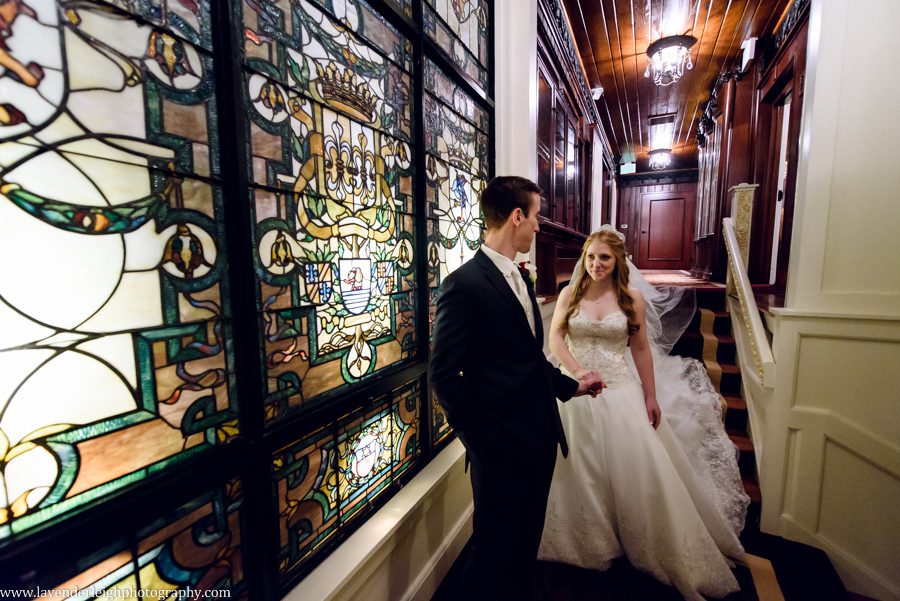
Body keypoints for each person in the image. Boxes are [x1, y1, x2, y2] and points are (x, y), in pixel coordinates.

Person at [538, 226, 749, 601]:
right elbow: (555, 337)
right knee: (576, 469)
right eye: (591, 257)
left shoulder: (630, 298)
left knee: (630, 470)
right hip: (575, 391)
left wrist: (650, 396)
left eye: (604, 257)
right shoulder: (570, 293)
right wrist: (576, 370)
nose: (596, 264)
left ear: (618, 260)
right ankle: (587, 537)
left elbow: (640, 351)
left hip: (620, 391)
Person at [430, 176, 603, 601]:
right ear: (516, 216)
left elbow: (526, 361)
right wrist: (483, 444)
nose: (540, 228)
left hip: (538, 441)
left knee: (524, 547)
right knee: (490, 554)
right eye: (537, 216)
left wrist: (572, 387)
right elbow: (444, 377)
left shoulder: (521, 279)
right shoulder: (464, 285)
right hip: (500, 450)